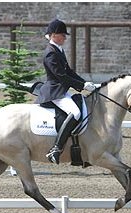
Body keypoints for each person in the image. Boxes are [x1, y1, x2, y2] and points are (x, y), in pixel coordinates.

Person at [35, 19, 96, 164]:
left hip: (61, 90)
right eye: (62, 34)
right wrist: (82, 86)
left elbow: (69, 71)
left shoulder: (58, 50)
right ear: (54, 35)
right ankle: (56, 148)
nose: (65, 37)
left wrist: (84, 83)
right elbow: (61, 77)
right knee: (75, 113)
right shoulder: (51, 53)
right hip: (55, 92)